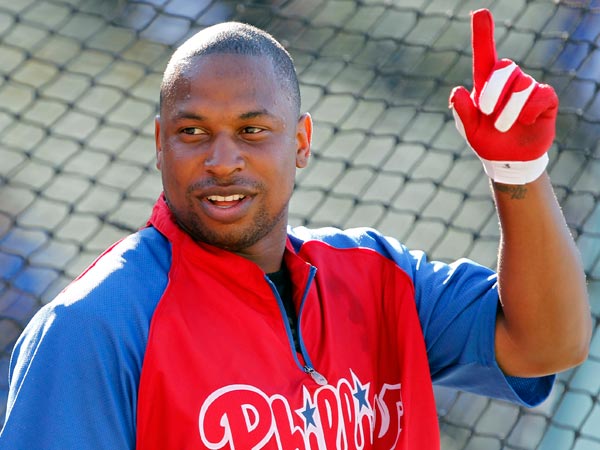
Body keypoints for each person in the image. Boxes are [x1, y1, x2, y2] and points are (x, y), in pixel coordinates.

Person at [0, 8, 591, 450]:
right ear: (160, 143)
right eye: (192, 132)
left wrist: (518, 172)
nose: (222, 161)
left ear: (302, 141)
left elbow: (548, 344)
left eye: (252, 131)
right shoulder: (92, 327)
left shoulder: (380, 277)